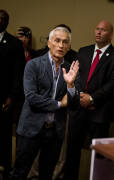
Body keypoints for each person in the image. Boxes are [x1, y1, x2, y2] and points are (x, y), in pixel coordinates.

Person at [9, 27, 80, 180]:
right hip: (30, 128)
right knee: (19, 173)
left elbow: (74, 104)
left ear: (68, 47)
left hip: (54, 132)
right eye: (57, 41)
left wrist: (71, 85)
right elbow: (32, 98)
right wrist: (59, 104)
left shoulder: (70, 69)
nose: (61, 45)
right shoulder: (33, 65)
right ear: (49, 43)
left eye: (65, 42)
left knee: (47, 174)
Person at [64, 20, 114, 180]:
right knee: (72, 152)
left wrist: (92, 98)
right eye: (97, 29)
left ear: (111, 35)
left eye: (103, 30)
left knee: (98, 156)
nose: (99, 32)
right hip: (78, 110)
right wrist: (79, 95)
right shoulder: (83, 51)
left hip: (100, 113)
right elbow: (75, 75)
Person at [0, 9, 25, 179]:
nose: (0, 21)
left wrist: (12, 96)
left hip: (4, 98)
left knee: (4, 136)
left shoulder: (14, 44)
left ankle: (5, 169)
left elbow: (18, 73)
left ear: (8, 22)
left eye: (4, 19)